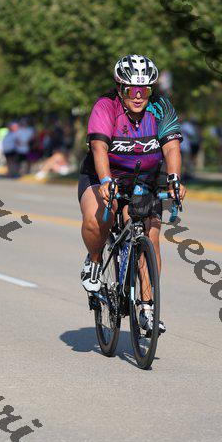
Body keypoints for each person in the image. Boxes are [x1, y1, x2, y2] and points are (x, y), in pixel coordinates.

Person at [78, 54, 186, 335]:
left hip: (144, 179)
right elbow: (99, 148)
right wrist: (105, 180)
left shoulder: (160, 108)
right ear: (120, 88)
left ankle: (147, 308)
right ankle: (94, 260)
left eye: (144, 90)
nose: (138, 96)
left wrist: (174, 178)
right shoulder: (106, 106)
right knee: (98, 217)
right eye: (131, 90)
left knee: (150, 235)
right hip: (103, 175)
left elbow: (171, 147)